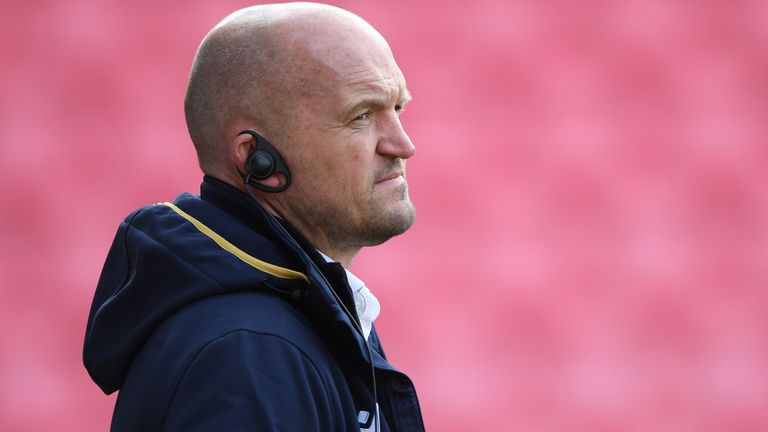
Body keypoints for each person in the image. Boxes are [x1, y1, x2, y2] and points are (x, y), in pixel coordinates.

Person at [82, 3, 424, 431]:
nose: (402, 144)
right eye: (361, 116)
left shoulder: (288, 320)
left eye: (399, 109)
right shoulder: (248, 355)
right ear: (256, 159)